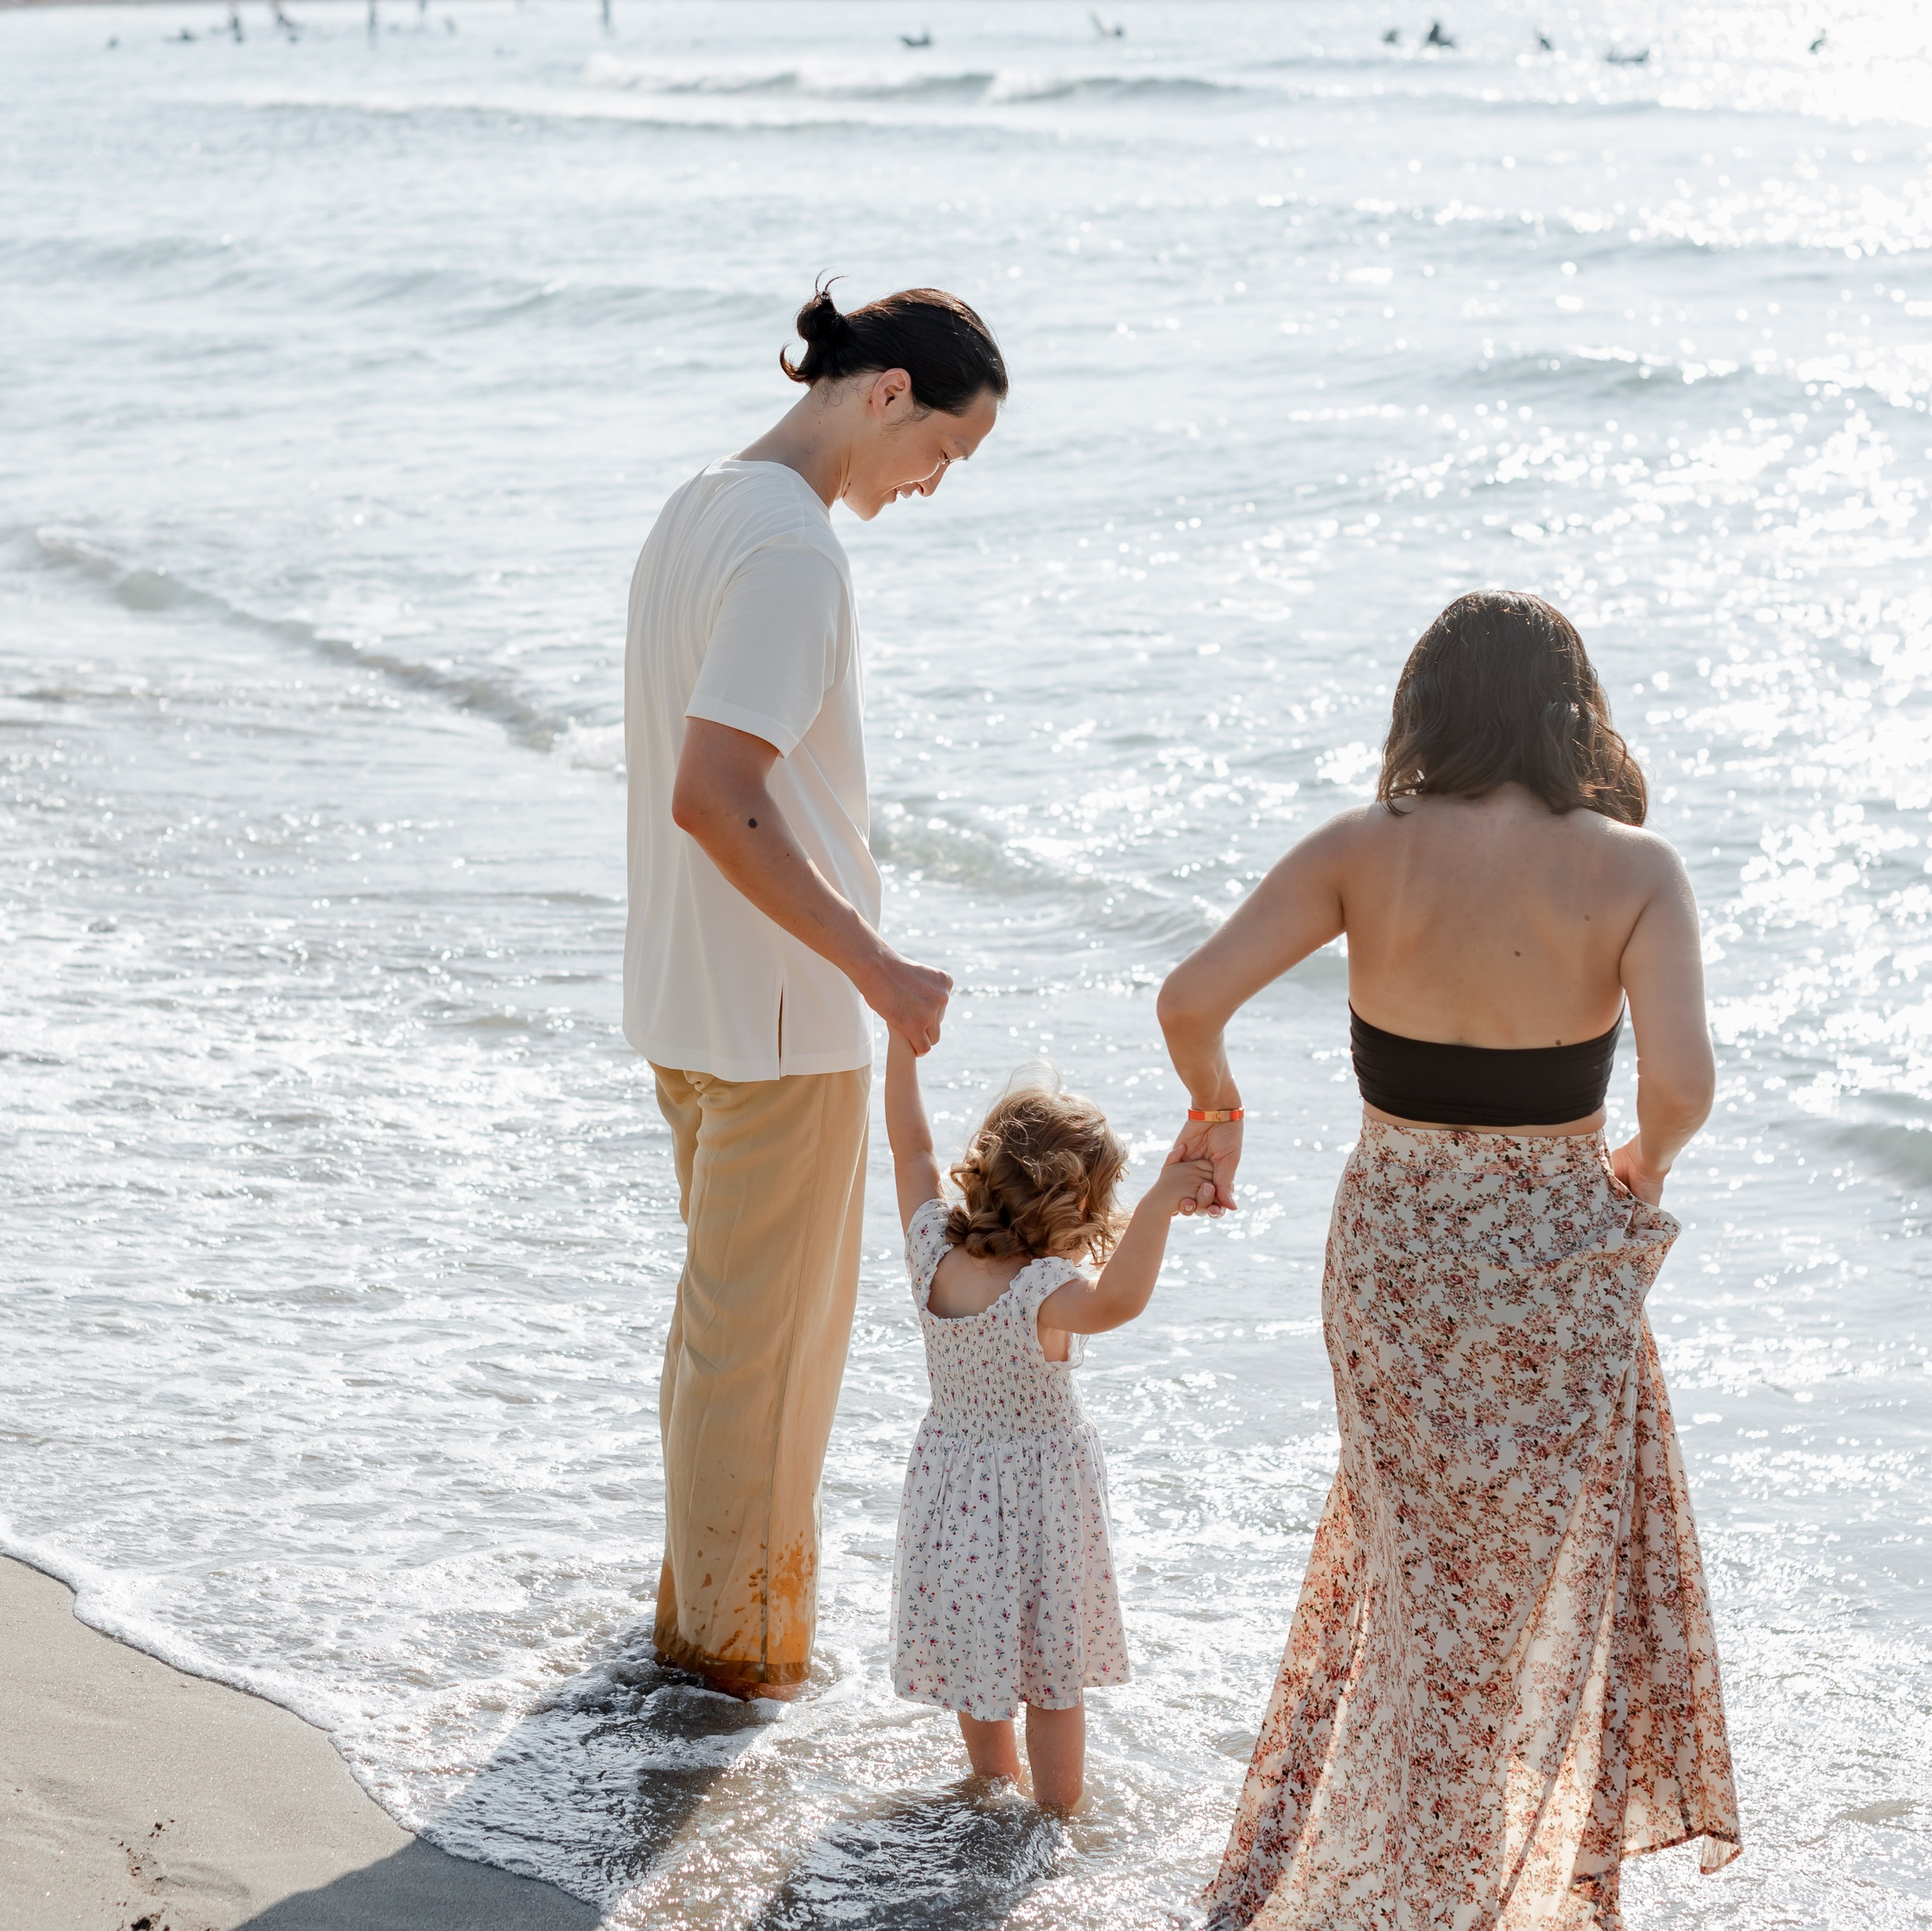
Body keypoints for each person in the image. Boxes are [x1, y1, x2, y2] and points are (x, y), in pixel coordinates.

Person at [1158, 591, 1742, 1924]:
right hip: (1557, 1255)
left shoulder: (1363, 847)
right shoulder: (1635, 869)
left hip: (1398, 1247)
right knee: (1528, 1580)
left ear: (1425, 703)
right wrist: (1645, 1162)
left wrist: (1219, 1108)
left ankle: (1409, 1869)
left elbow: (1189, 998)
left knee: (1417, 1576)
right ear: (1570, 712)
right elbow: (1684, 1086)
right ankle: (1475, 1878)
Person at [625, 283, 1006, 1698]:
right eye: (943, 451)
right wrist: (876, 965)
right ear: (888, 391)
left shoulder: (700, 504)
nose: (932, 484)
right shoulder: (792, 549)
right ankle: (729, 1666)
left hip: (693, 996)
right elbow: (713, 792)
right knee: (765, 1365)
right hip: (780, 1019)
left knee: (722, 1342)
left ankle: (698, 1633)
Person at [881, 1032, 1214, 1807]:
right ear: (1080, 1205)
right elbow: (1119, 1300)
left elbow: (910, 1149)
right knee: (1054, 1678)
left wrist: (901, 1043)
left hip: (955, 1494)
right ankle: (1056, 1819)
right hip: (1040, 1505)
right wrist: (1161, 1203)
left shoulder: (932, 1254)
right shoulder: (1044, 1293)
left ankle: (991, 1789)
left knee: (982, 1659)